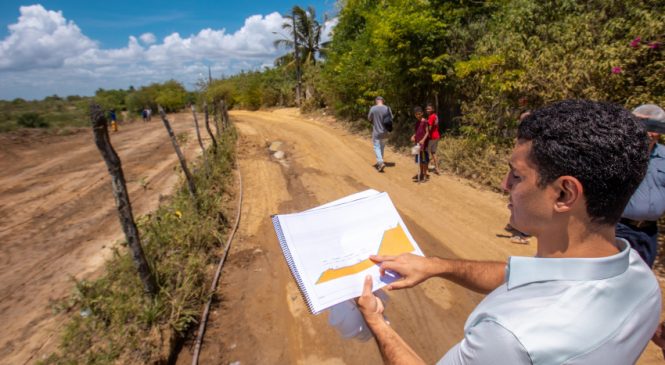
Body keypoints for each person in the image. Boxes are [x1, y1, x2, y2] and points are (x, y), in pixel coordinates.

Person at [357, 100, 661, 364]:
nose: (505, 185)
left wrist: (378, 323)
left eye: (516, 175)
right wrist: (438, 266)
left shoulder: (510, 337)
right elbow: (521, 276)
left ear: (565, 194)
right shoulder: (641, 280)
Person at [617, 104, 665, 268]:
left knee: (642, 277)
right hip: (621, 228)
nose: (649, 132)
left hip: (649, 232)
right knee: (618, 274)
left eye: (653, 127)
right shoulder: (621, 155)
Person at [368, 96, 392, 172]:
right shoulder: (387, 108)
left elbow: (369, 118)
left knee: (376, 147)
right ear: (383, 101)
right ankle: (380, 163)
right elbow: (391, 118)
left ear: (376, 101)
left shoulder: (373, 108)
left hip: (376, 132)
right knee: (381, 147)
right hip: (385, 132)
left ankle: (380, 162)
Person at [411, 106, 429, 182]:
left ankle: (425, 175)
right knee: (419, 160)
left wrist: (423, 140)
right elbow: (417, 132)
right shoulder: (417, 122)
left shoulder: (425, 122)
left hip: (423, 145)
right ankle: (421, 173)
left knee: (424, 160)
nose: (418, 115)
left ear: (422, 113)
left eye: (419, 114)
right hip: (417, 144)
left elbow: (427, 132)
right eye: (416, 114)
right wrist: (413, 136)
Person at [426, 103, 441, 175]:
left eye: (429, 109)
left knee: (426, 152)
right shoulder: (435, 116)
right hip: (437, 136)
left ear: (432, 109)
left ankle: (426, 167)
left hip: (432, 137)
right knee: (433, 153)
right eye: (427, 109)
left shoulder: (431, 117)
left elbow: (430, 127)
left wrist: (425, 135)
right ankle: (437, 168)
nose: (427, 110)